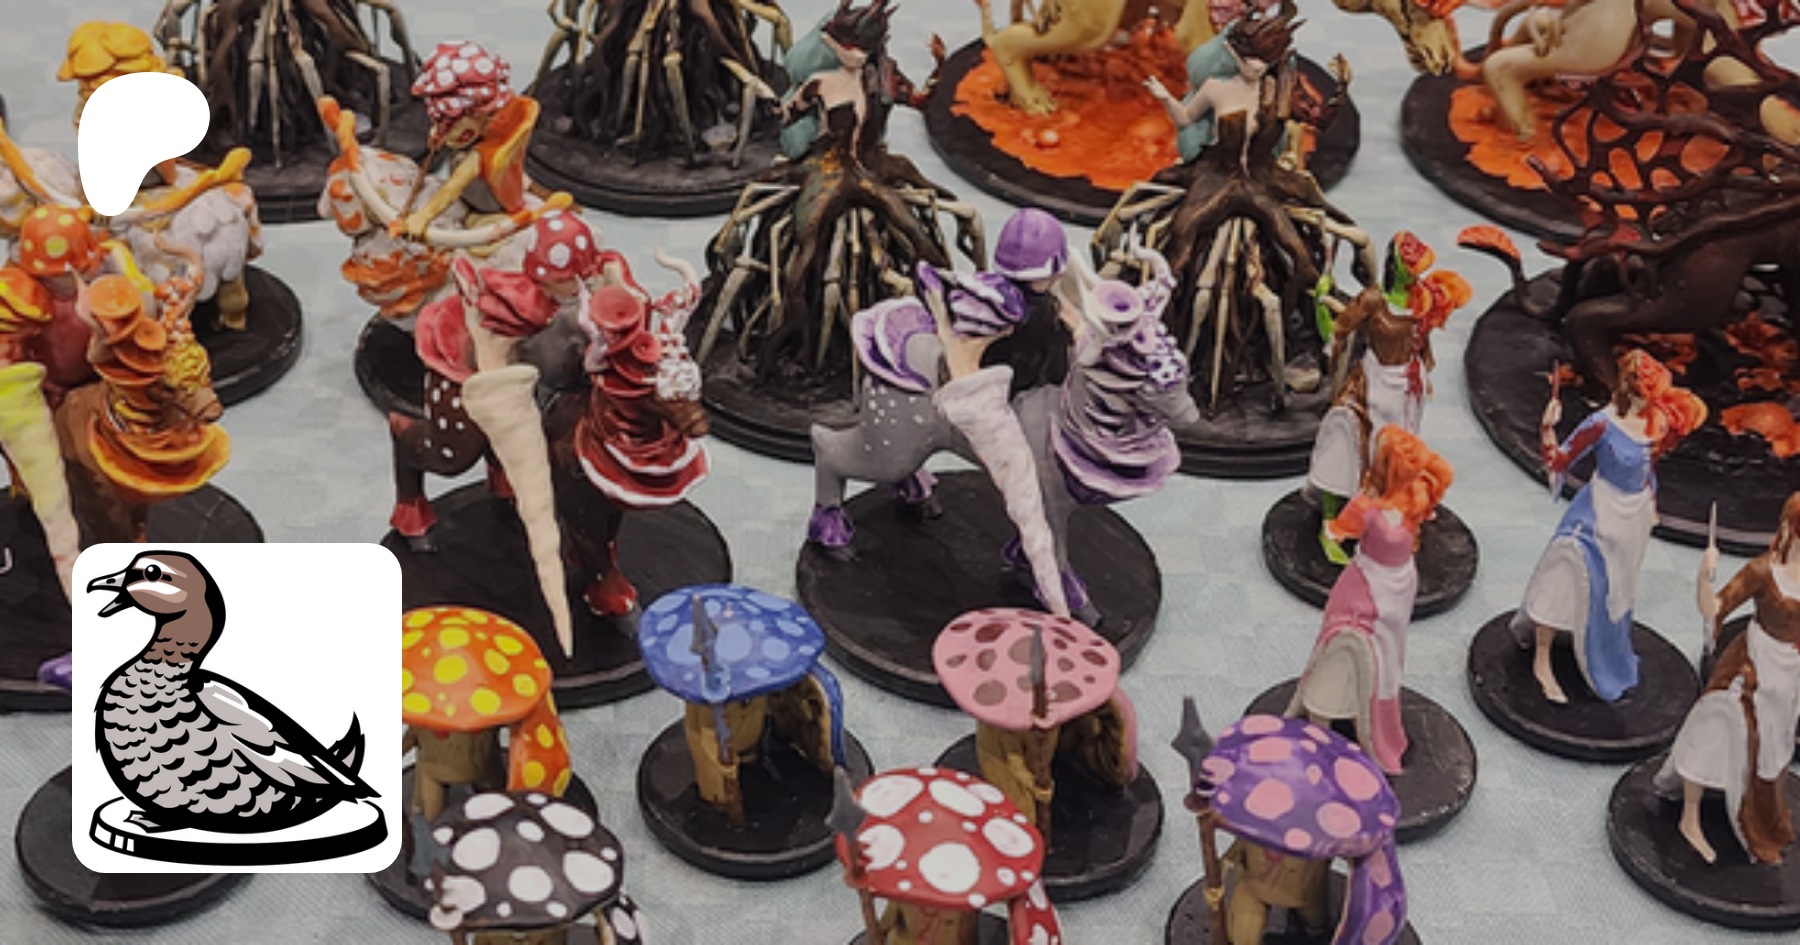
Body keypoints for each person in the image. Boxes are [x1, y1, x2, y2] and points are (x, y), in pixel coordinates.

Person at [1513, 349, 1706, 703]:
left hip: (1632, 519)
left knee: (1615, 589)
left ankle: (1601, 649)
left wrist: (1651, 504)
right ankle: (1542, 656)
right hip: (1597, 513)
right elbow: (1559, 460)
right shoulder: (1601, 423)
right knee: (1565, 569)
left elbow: (1649, 469)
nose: (1650, 399)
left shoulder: (1657, 422)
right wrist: (1548, 427)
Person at [1289, 426, 1452, 773]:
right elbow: (1337, 531)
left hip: (1393, 588)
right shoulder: (1375, 505)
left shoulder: (1407, 499)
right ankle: (1325, 721)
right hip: (1370, 586)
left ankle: (1366, 724)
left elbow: (1336, 531)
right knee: (1348, 646)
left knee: (1383, 658)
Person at [1655, 492, 1800, 865]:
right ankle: (1689, 816)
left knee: (1771, 749)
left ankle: (1761, 819)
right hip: (1749, 669)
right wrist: (1704, 576)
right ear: (1790, 530)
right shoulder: (1763, 572)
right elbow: (1716, 606)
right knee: (1716, 730)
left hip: (1788, 677)